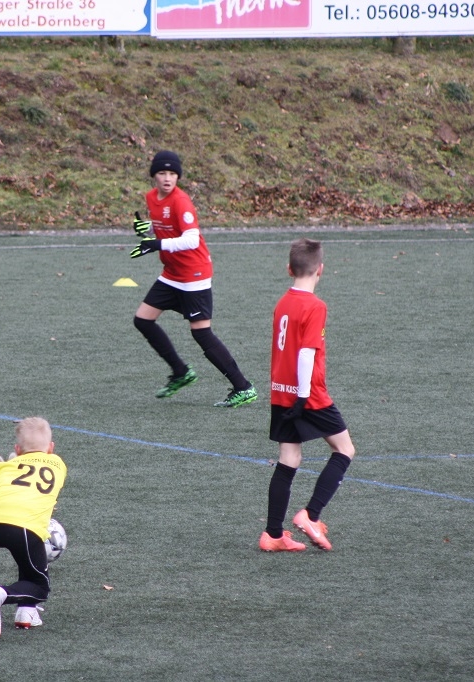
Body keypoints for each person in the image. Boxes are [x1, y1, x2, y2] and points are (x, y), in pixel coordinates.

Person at [129, 150, 257, 408]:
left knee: (201, 333)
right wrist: (147, 229)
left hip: (193, 274)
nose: (167, 178)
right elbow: (165, 224)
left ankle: (243, 387)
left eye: (172, 173)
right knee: (142, 320)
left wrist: (156, 244)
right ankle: (180, 371)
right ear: (154, 176)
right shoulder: (152, 197)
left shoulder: (181, 201)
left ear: (178, 177)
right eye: (162, 173)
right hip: (172, 273)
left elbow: (191, 239)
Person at [259, 238, 356, 552]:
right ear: (321, 270)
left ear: (289, 269)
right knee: (344, 449)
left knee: (289, 458)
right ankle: (311, 515)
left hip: (280, 391)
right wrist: (303, 397)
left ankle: (273, 535)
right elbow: (305, 353)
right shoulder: (315, 306)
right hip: (308, 394)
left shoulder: (282, 303)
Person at [0, 417, 67, 638]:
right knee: (39, 587)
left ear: (17, 449)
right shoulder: (58, 464)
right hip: (23, 526)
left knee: (26, 559)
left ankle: (26, 613)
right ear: (51, 447)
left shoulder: (6, 466)